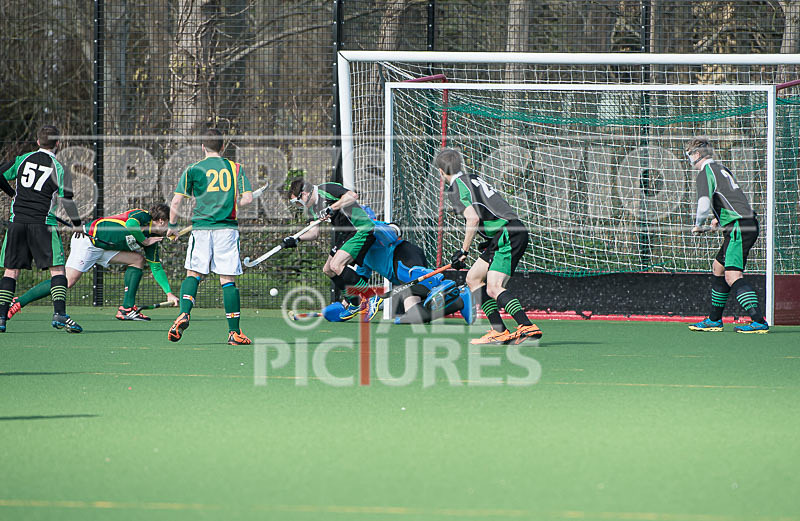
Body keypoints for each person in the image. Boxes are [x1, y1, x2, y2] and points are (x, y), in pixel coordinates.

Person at [435, 147, 542, 345]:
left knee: (494, 287)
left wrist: (463, 251)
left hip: (508, 235)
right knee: (473, 278)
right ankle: (499, 331)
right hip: (504, 235)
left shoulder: (456, 188)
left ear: (441, 172)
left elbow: (473, 218)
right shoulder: (472, 178)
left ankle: (526, 325)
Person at [6, 205, 178, 321]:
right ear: (162, 221)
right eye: (170, 223)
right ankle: (19, 301)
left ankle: (126, 309)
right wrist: (145, 241)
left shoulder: (152, 239)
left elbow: (155, 267)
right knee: (67, 281)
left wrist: (169, 293)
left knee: (137, 260)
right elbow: (131, 225)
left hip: (104, 248)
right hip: (88, 241)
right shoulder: (142, 215)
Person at [167, 129, 253, 345]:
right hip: (227, 230)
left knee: (193, 273)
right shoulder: (235, 168)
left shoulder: (193, 169)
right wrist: (233, 205)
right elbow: (248, 199)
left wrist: (172, 226)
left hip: (201, 230)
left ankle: (184, 313)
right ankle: (234, 333)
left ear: (203, 147)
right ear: (223, 147)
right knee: (227, 280)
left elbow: (176, 202)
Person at [0, 125, 83, 333]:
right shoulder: (59, 167)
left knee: (11, 271)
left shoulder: (22, 160)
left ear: (37, 142)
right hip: (43, 224)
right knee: (57, 269)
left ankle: (1, 317)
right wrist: (77, 224)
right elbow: (67, 200)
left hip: (17, 221)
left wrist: (12, 192)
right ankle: (59, 314)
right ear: (58, 144)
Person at [686, 137, 768, 333]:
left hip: (740, 227)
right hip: (741, 224)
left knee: (733, 275)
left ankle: (759, 320)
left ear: (697, 155)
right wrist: (720, 219)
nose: (689, 159)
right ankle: (714, 320)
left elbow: (704, 203)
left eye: (689, 155)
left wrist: (698, 224)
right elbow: (730, 198)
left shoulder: (706, 172)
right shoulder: (721, 169)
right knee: (718, 267)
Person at [337, 220, 474, 324]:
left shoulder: (370, 231)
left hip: (403, 256)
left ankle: (461, 290)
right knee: (414, 316)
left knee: (410, 274)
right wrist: (346, 303)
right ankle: (460, 302)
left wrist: (385, 228)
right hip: (401, 280)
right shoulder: (361, 257)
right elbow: (359, 281)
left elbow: (393, 230)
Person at [283, 177, 376, 320]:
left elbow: (352, 196)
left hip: (360, 228)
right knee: (328, 269)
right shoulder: (312, 209)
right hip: (345, 233)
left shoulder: (326, 189)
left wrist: (332, 207)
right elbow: (313, 233)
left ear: (305, 193)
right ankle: (355, 302)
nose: (299, 205)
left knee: (336, 265)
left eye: (298, 201)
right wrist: (296, 239)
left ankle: (371, 297)